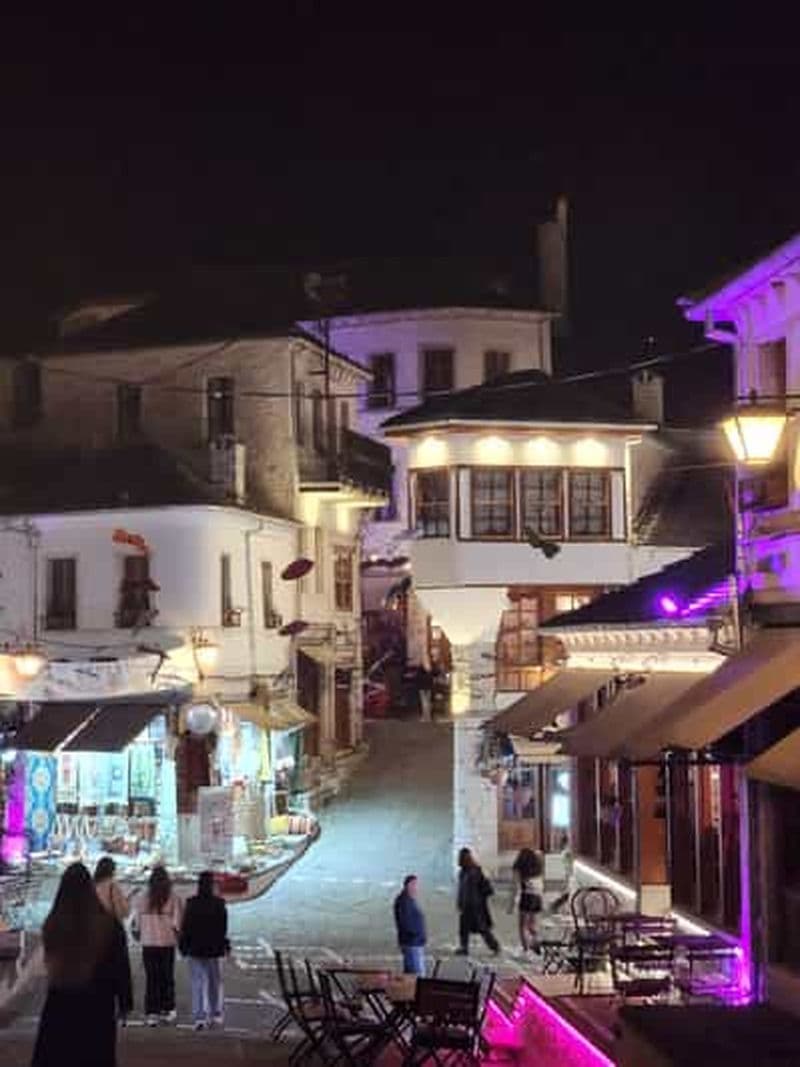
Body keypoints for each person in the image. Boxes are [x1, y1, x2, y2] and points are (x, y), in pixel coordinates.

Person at [31, 862, 132, 1067]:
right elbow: (120, 967)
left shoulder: (53, 923)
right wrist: (124, 1002)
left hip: (60, 1003)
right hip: (98, 1004)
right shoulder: (109, 925)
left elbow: (49, 964)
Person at [179, 871, 229, 1031]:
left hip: (195, 948)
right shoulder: (220, 903)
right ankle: (215, 1014)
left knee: (197, 983)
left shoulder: (191, 903)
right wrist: (224, 946)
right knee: (214, 983)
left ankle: (199, 1017)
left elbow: (185, 927)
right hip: (214, 948)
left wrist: (183, 946)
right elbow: (223, 928)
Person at [132, 865, 182, 1026]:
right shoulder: (173, 897)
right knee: (167, 977)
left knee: (152, 978)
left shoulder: (142, 898)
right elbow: (177, 924)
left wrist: (141, 934)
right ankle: (167, 1009)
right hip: (167, 943)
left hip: (149, 943)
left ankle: (151, 1012)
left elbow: (136, 925)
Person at [455, 847, 500, 957]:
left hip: (475, 905)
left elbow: (485, 888)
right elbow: (462, 889)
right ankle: (464, 947)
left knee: (482, 928)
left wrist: (479, 899)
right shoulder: (463, 872)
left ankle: (495, 946)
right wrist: (460, 901)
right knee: (464, 928)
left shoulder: (475, 871)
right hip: (468, 904)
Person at [509, 848, 544, 953]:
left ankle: (526, 950)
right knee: (532, 925)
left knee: (522, 926)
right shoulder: (537, 867)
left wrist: (511, 904)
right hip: (538, 896)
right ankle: (536, 942)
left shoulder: (518, 867)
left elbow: (515, 887)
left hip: (527, 896)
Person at [393, 874, 427, 975]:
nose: (416, 887)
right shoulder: (404, 901)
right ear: (408, 885)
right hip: (411, 943)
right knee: (417, 975)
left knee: (410, 974)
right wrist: (416, 933)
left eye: (417, 885)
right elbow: (405, 922)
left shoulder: (409, 899)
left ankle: (408, 990)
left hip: (414, 942)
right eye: (414, 884)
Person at [94, 856, 130, 923]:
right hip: (109, 927)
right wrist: (127, 901)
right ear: (112, 870)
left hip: (94, 925)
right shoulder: (113, 886)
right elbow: (123, 912)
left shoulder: (93, 885)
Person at [550, 833, 576, 913]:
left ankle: (557, 906)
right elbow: (570, 862)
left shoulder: (563, 851)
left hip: (564, 873)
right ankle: (555, 906)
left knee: (566, 893)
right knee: (566, 893)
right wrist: (570, 872)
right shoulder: (567, 852)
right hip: (566, 874)